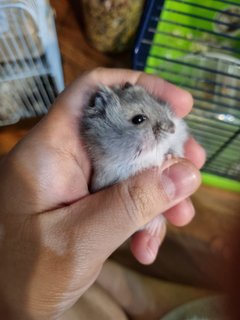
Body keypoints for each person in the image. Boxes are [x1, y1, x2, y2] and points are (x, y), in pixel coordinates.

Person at [0, 68, 205, 319]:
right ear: (101, 120)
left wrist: (173, 153)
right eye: (139, 119)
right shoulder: (103, 170)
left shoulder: (160, 131)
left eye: (157, 109)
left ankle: (124, 286)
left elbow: (175, 134)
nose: (165, 124)